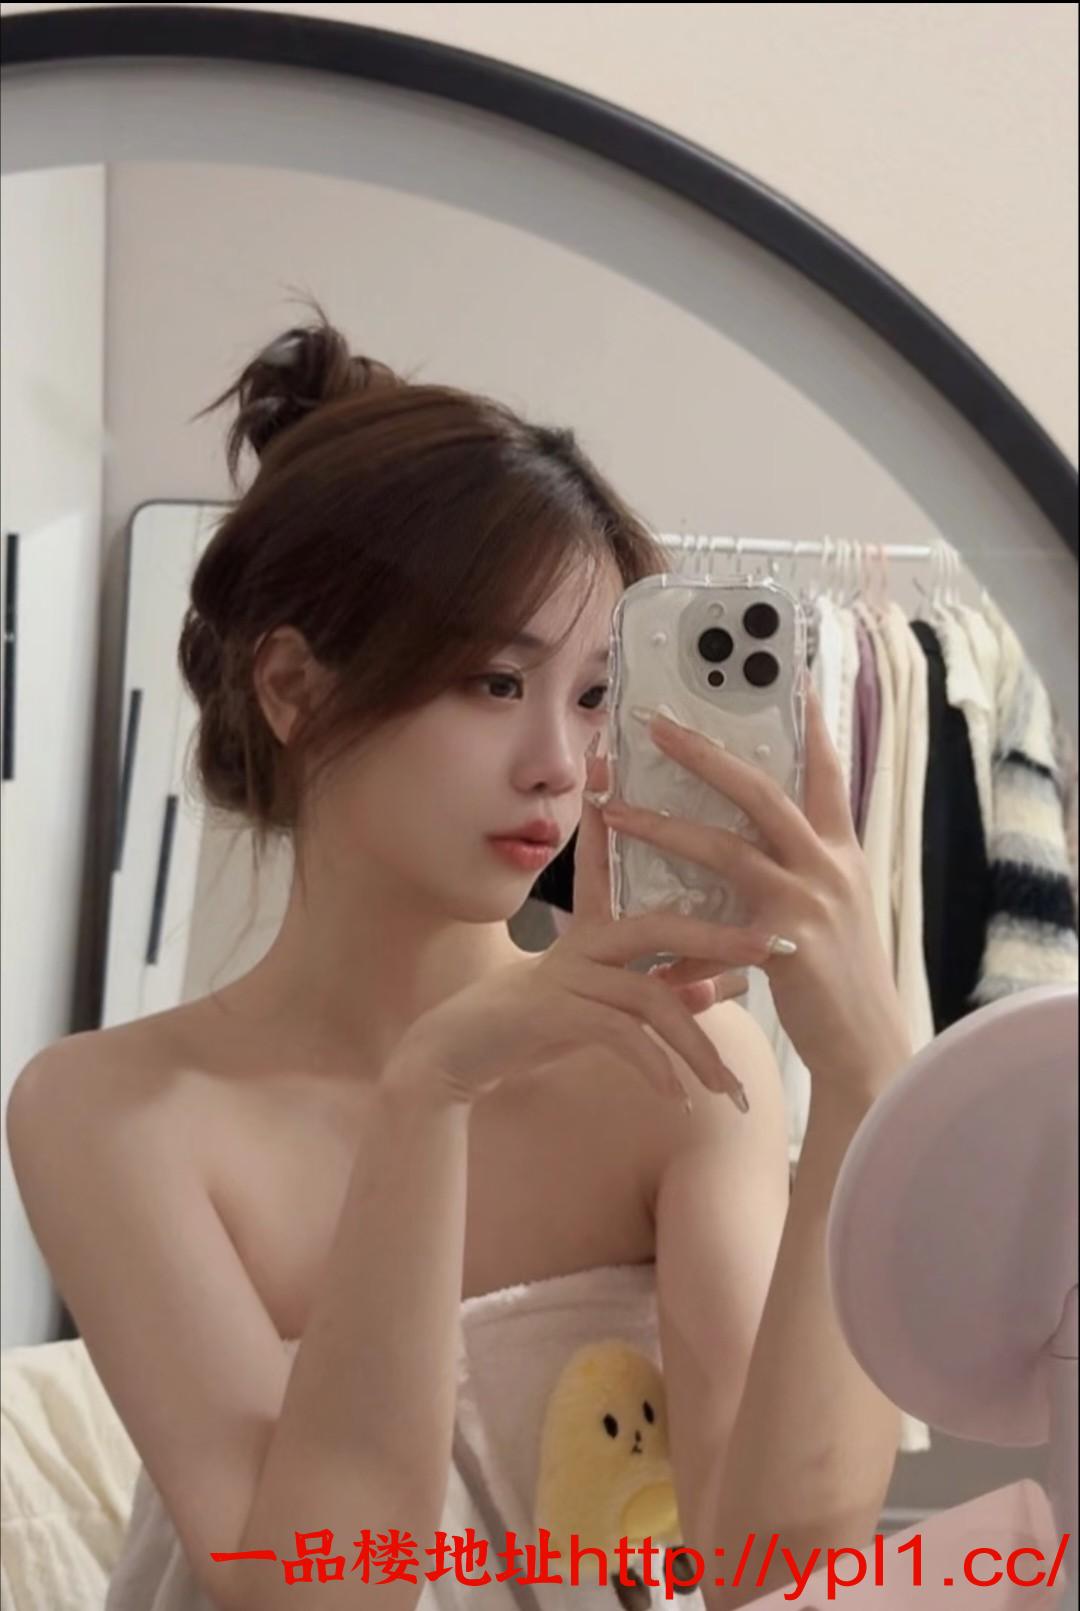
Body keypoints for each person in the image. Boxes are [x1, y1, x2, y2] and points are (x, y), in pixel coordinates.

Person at [7, 300, 915, 1611]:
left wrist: (867, 1095)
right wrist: (426, 1100)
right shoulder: (110, 1111)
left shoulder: (681, 1062)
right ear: (293, 687)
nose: (560, 764)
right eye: (496, 684)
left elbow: (773, 1575)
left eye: (594, 696)